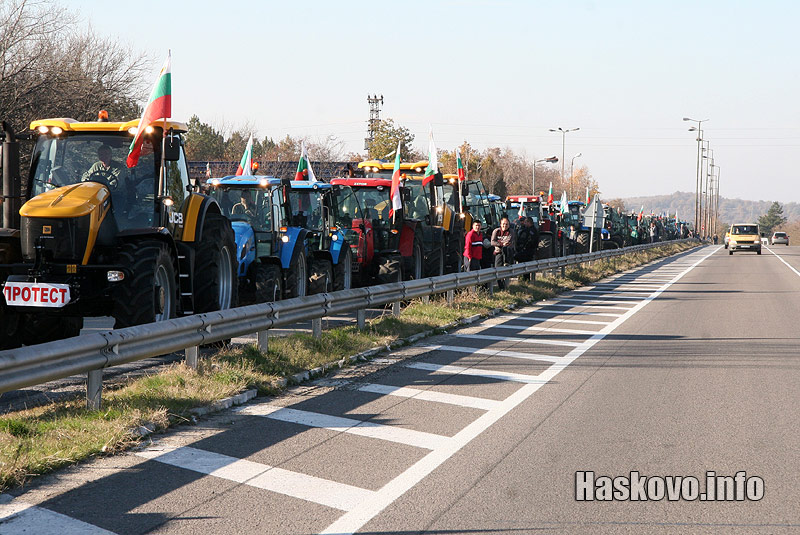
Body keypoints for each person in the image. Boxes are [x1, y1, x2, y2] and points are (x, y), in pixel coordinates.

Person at [491, 216, 516, 289]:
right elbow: (492, 242)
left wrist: (499, 242)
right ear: (500, 224)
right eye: (503, 224)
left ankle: (505, 286)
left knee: (506, 249)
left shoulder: (511, 231)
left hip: (507, 253)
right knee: (498, 270)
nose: (505, 226)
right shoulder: (496, 231)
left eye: (507, 224)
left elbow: (509, 242)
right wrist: (501, 244)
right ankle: (501, 287)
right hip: (498, 252)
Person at [515, 217, 538, 281]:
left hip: (527, 252)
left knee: (526, 266)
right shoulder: (525, 229)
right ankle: (522, 279)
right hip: (524, 251)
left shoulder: (532, 230)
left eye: (525, 222)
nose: (524, 223)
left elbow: (530, 241)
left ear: (529, 222)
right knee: (522, 265)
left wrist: (523, 248)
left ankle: (525, 280)